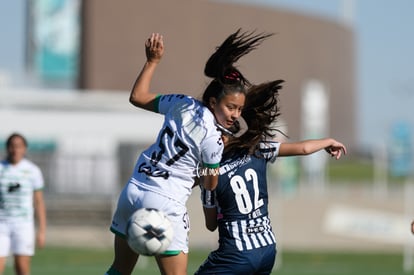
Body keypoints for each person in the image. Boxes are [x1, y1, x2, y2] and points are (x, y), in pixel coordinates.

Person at [105, 29, 273, 275]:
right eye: (231, 107)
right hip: (166, 202)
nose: (236, 115)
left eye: (239, 109)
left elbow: (137, 97)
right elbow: (210, 182)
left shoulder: (182, 103)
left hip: (134, 190)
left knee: (119, 270)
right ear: (213, 102)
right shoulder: (213, 140)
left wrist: (152, 61)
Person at [195, 80, 347, 275]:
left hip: (236, 254)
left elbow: (211, 225)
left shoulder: (209, 175)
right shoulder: (255, 149)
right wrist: (328, 141)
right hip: (267, 249)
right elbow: (303, 148)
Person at [0, 133, 47, 275]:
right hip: (1, 223)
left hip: (23, 225)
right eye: (12, 146)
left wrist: (42, 230)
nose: (15, 150)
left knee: (22, 267)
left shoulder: (33, 171)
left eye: (19, 146)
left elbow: (39, 202)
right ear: (7, 148)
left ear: (24, 148)